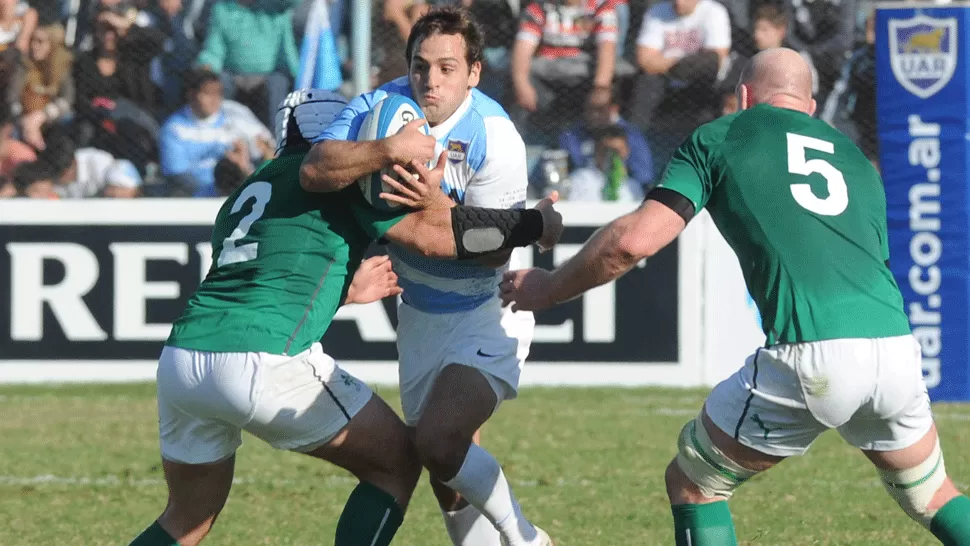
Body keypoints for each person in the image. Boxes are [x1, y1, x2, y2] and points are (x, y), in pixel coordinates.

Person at [498, 48, 970, 546]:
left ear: (743, 97)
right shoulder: (854, 157)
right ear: (810, 107)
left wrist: (549, 289)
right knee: (932, 495)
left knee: (694, 484)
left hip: (813, 352)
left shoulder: (721, 135)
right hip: (895, 348)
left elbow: (632, 242)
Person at [126, 89, 563, 546]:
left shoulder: (249, 189)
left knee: (186, 519)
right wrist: (535, 224)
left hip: (183, 361)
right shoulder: (346, 182)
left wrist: (342, 292)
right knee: (396, 463)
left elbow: (260, 284)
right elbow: (446, 240)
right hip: (262, 358)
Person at [301, 7, 553, 546]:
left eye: (446, 67)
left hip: (488, 307)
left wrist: (437, 207)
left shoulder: (496, 136)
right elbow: (317, 169)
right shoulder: (377, 106)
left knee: (439, 442)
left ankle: (526, 538)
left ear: (474, 72)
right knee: (447, 471)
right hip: (418, 312)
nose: (430, 81)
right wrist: (384, 150)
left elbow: (493, 253)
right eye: (421, 66)